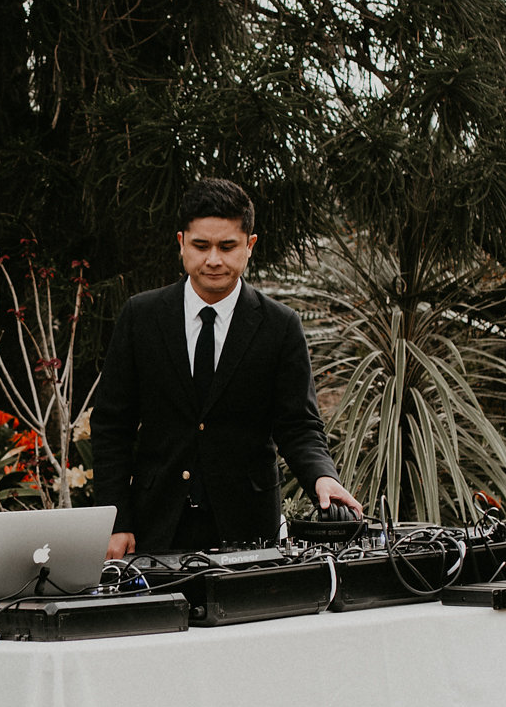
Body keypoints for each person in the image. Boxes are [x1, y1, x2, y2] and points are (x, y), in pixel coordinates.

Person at [88, 178, 361, 556]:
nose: (213, 259)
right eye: (201, 246)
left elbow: (298, 424)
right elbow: (111, 426)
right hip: (155, 525)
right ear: (181, 242)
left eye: (227, 246)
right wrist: (116, 520)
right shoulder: (141, 316)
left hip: (249, 527)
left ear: (249, 247)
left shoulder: (280, 326)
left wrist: (322, 476)